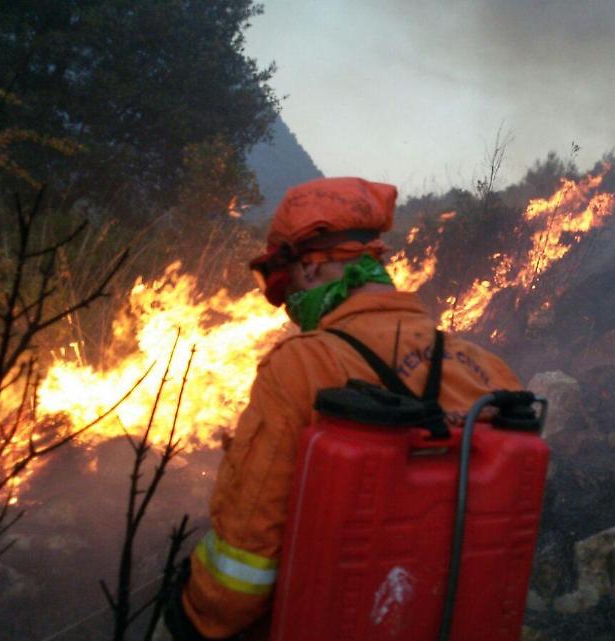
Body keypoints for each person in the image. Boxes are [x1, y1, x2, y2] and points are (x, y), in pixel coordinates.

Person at [157, 177, 522, 640]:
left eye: (282, 286)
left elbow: (242, 569)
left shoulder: (301, 366)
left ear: (309, 269)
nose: (287, 305)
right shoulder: (490, 372)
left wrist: (193, 614)